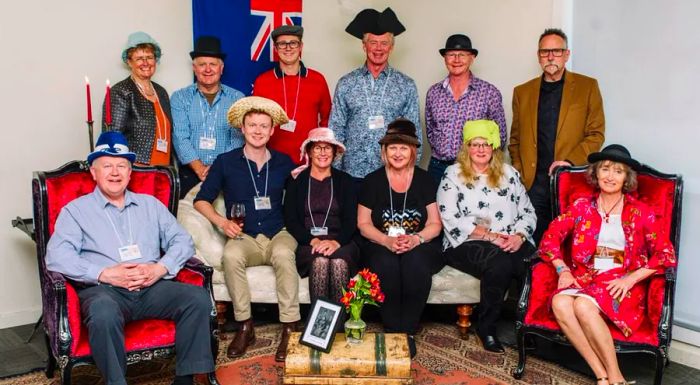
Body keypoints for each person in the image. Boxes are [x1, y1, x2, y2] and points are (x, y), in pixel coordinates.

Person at [45, 131, 214, 385]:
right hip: (105, 290)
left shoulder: (151, 205)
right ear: (93, 172)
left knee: (197, 298)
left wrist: (159, 268)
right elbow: (56, 256)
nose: (115, 172)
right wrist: (104, 273)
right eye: (107, 166)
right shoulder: (76, 211)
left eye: (121, 166)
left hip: (152, 286)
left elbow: (183, 241)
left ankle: (185, 379)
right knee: (102, 312)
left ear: (130, 171)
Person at [539, 144, 676, 385]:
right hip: (586, 278)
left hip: (621, 282)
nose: (610, 176)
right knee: (560, 301)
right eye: (605, 169)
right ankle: (602, 376)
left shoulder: (641, 211)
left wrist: (630, 279)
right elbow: (550, 238)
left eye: (618, 171)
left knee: (582, 305)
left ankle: (617, 378)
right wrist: (563, 269)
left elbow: (665, 254)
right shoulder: (582, 206)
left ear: (627, 178)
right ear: (596, 174)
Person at [193, 96, 299, 362]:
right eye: (252, 125)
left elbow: (304, 196)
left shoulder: (285, 162)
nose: (258, 130)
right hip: (244, 235)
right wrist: (222, 222)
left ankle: (289, 327)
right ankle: (245, 325)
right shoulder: (226, 161)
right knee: (230, 256)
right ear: (242, 127)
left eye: (264, 126)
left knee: (286, 255)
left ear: (272, 130)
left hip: (278, 233)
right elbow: (201, 200)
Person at [436, 120, 536, 353]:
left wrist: (519, 236)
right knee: (499, 263)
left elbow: (528, 211)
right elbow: (449, 216)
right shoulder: (454, 174)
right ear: (466, 148)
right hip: (466, 241)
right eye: (475, 144)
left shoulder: (509, 174)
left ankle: (528, 327)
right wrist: (490, 236)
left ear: (494, 148)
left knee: (531, 262)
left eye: (486, 144)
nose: (481, 149)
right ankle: (487, 327)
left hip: (509, 238)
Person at [509, 28, 605, 245]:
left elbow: (596, 134)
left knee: (572, 245)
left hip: (572, 181)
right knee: (534, 245)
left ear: (567, 54)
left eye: (557, 51)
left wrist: (569, 162)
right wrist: (521, 171)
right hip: (533, 185)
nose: (551, 56)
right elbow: (515, 140)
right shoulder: (522, 92)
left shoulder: (587, 86)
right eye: (545, 52)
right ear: (538, 56)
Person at [357, 118, 444, 358]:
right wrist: (386, 240)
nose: (398, 153)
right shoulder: (372, 181)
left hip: (419, 242)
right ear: (384, 151)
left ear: (413, 151)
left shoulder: (425, 179)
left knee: (414, 263)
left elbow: (435, 224)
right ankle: (392, 329)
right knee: (385, 263)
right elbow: (363, 224)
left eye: (403, 147)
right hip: (380, 242)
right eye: (392, 147)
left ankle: (408, 331)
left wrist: (416, 239)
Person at [329, 8, 421, 180]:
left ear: (391, 47)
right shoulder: (346, 83)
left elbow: (413, 132)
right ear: (364, 46)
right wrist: (336, 171)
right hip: (352, 172)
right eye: (373, 42)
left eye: (384, 43)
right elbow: (336, 129)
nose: (379, 48)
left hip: (391, 172)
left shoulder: (406, 85)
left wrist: (410, 172)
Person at [284, 128, 359, 304]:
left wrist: (336, 242)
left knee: (339, 263)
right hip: (308, 242)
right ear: (309, 151)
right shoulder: (296, 180)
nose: (323, 152)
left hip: (342, 241)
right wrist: (313, 240)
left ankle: (340, 325)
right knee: (320, 263)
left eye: (327, 148)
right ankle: (319, 326)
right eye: (318, 148)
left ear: (334, 152)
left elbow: (351, 220)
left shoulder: (345, 181)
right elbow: (291, 220)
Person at [425, 34, 507, 184]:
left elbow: (500, 137)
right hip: (438, 168)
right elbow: (430, 131)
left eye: (462, 55)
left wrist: (482, 163)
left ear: (472, 58)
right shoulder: (433, 93)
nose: (456, 60)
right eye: (451, 55)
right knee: (435, 207)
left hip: (475, 168)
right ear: (445, 58)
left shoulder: (489, 93)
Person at [172, 36, 245, 198]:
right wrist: (198, 167)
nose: (207, 69)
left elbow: (237, 139)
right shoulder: (180, 97)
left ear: (222, 68)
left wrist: (218, 168)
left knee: (226, 220)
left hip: (227, 172)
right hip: (190, 173)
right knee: (188, 220)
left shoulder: (237, 98)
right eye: (202, 64)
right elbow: (180, 136)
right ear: (194, 68)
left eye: (213, 64)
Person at [253, 25, 332, 164]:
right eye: (282, 44)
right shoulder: (262, 81)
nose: (288, 48)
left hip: (309, 160)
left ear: (301, 46)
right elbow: (255, 122)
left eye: (293, 43)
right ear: (275, 49)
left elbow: (327, 119)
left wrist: (320, 151)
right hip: (271, 160)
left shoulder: (318, 80)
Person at [105, 32, 173, 166]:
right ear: (129, 62)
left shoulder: (161, 92)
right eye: (139, 58)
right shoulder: (121, 91)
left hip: (164, 169)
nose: (146, 63)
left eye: (149, 57)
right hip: (136, 169)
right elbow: (113, 138)